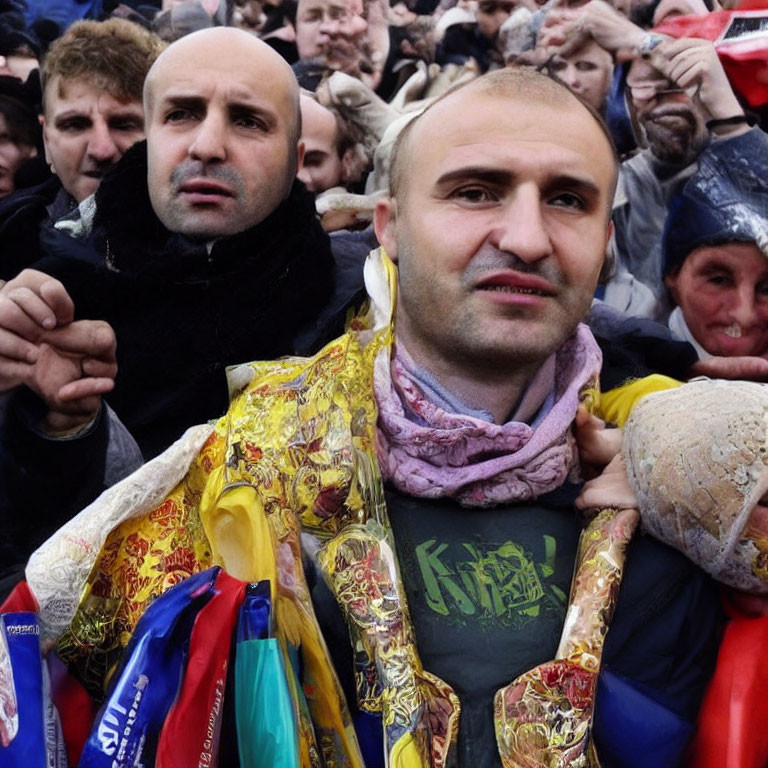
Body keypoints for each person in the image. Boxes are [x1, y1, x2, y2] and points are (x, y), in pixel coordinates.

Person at [43, 67, 719, 768]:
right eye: (476, 192)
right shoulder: (246, 462)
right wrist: (45, 431)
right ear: (389, 228)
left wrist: (718, 467)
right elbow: (61, 669)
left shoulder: (695, 487)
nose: (526, 238)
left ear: (605, 240)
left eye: (567, 200)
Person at [0, 27, 337, 598]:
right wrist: (59, 428)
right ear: (150, 142)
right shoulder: (48, 297)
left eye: (248, 120)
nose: (207, 145)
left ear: (297, 158)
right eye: (181, 114)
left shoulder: (361, 299)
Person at [0, 18, 163, 278]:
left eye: (124, 124)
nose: (101, 150)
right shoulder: (9, 234)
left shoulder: (216, 253)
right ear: (46, 140)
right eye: (74, 125)